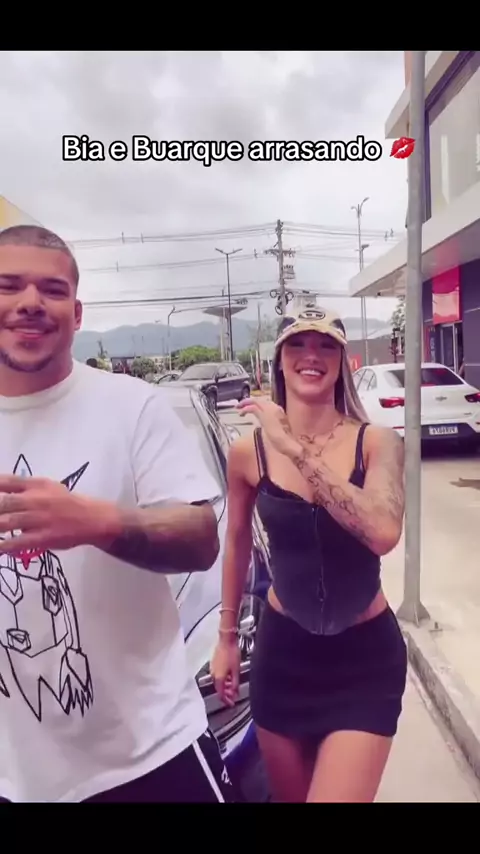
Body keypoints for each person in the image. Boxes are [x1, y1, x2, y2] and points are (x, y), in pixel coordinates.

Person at [0, 224, 235, 803]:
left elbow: (199, 534)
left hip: (151, 753)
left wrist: (97, 522)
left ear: (77, 314)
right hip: (17, 777)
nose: (30, 302)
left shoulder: (131, 407)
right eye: (8, 285)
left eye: (52, 290)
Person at [210, 304, 407, 803]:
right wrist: (227, 638)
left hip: (365, 663)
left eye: (325, 346)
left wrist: (294, 448)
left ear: (342, 361)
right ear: (279, 360)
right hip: (283, 659)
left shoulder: (377, 442)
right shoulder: (248, 453)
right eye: (297, 344)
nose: (311, 356)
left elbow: (383, 532)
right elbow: (237, 541)